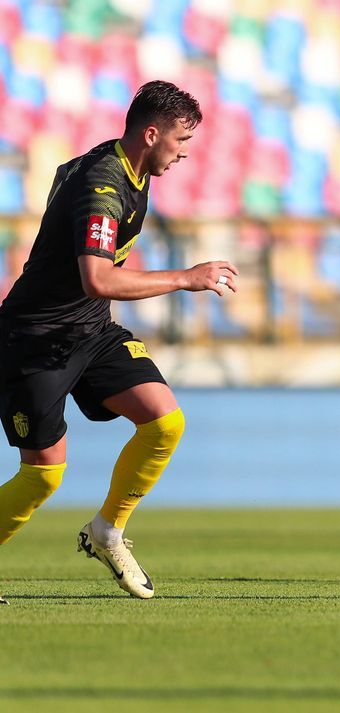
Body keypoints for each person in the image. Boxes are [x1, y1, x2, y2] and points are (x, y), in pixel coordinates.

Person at [0, 80, 237, 602]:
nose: (184, 153)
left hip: (91, 329)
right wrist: (185, 277)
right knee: (43, 476)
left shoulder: (128, 167)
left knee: (164, 421)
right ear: (151, 134)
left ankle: (108, 529)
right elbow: (99, 279)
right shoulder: (101, 186)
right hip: (36, 339)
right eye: (180, 141)